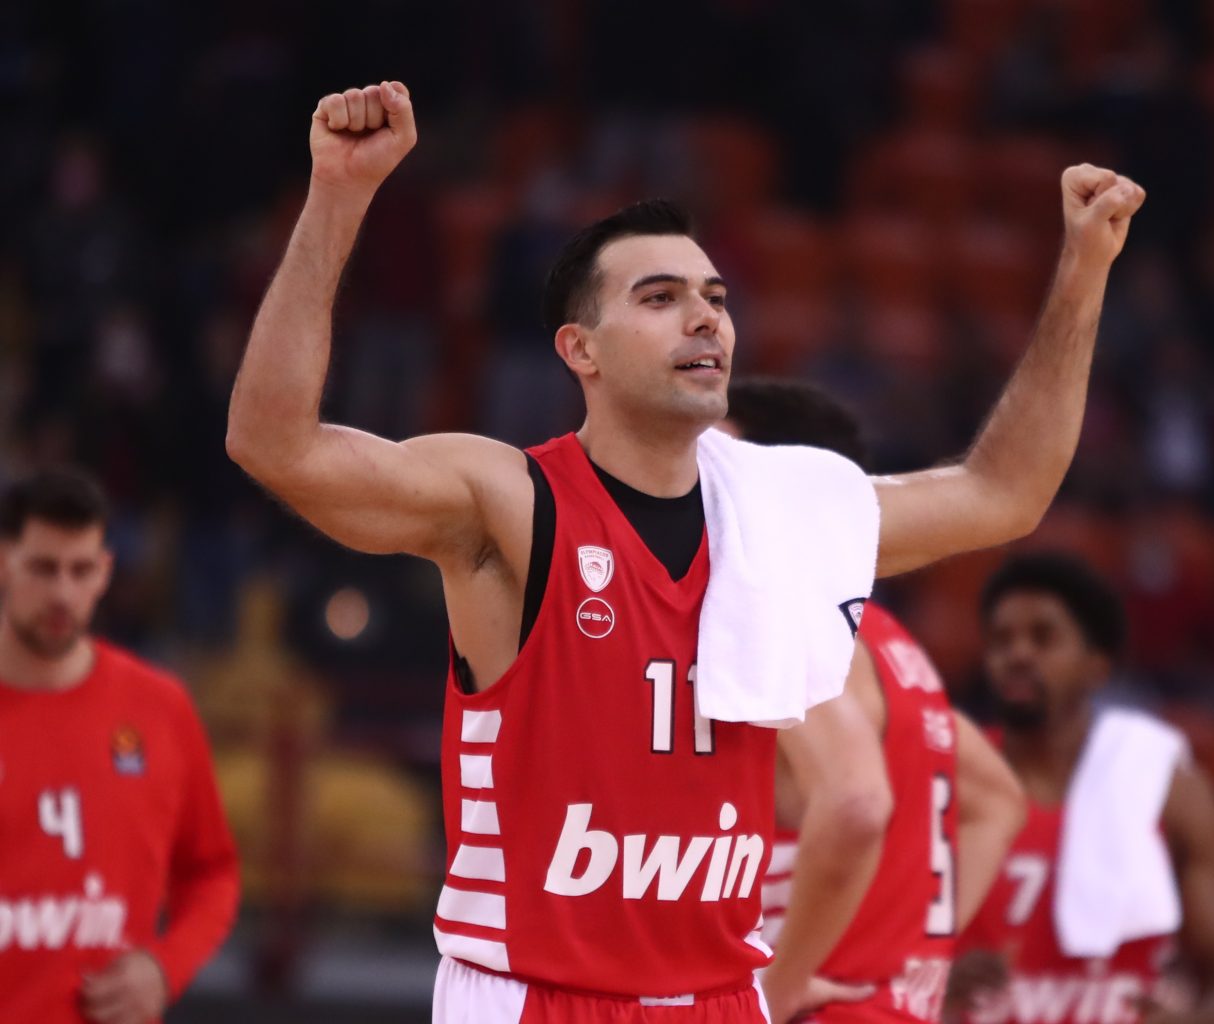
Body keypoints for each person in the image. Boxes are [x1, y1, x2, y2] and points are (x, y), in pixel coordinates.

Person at [226, 80, 1143, 1023]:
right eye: (660, 298)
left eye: (715, 297)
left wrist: (1083, 272)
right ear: (580, 349)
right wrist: (337, 197)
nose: (705, 317)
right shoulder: (509, 502)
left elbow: (1004, 493)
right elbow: (274, 445)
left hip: (720, 998)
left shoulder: (780, 516)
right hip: (541, 997)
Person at [726, 379, 1027, 1024]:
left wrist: (778, 988)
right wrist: (917, 946)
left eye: (715, 462)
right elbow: (997, 801)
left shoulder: (783, 624)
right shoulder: (886, 640)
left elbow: (858, 804)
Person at [947, 554, 1214, 1024]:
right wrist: (930, 977)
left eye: (1043, 637)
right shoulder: (948, 780)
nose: (1018, 654)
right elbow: (870, 958)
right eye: (1001, 640)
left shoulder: (1166, 786)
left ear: (1097, 666)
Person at [0, 468, 240, 1024]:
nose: (63, 593)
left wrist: (164, 967)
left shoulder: (160, 708)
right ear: (4, 561)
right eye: (43, 568)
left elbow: (212, 872)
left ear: (105, 571)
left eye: (80, 570)